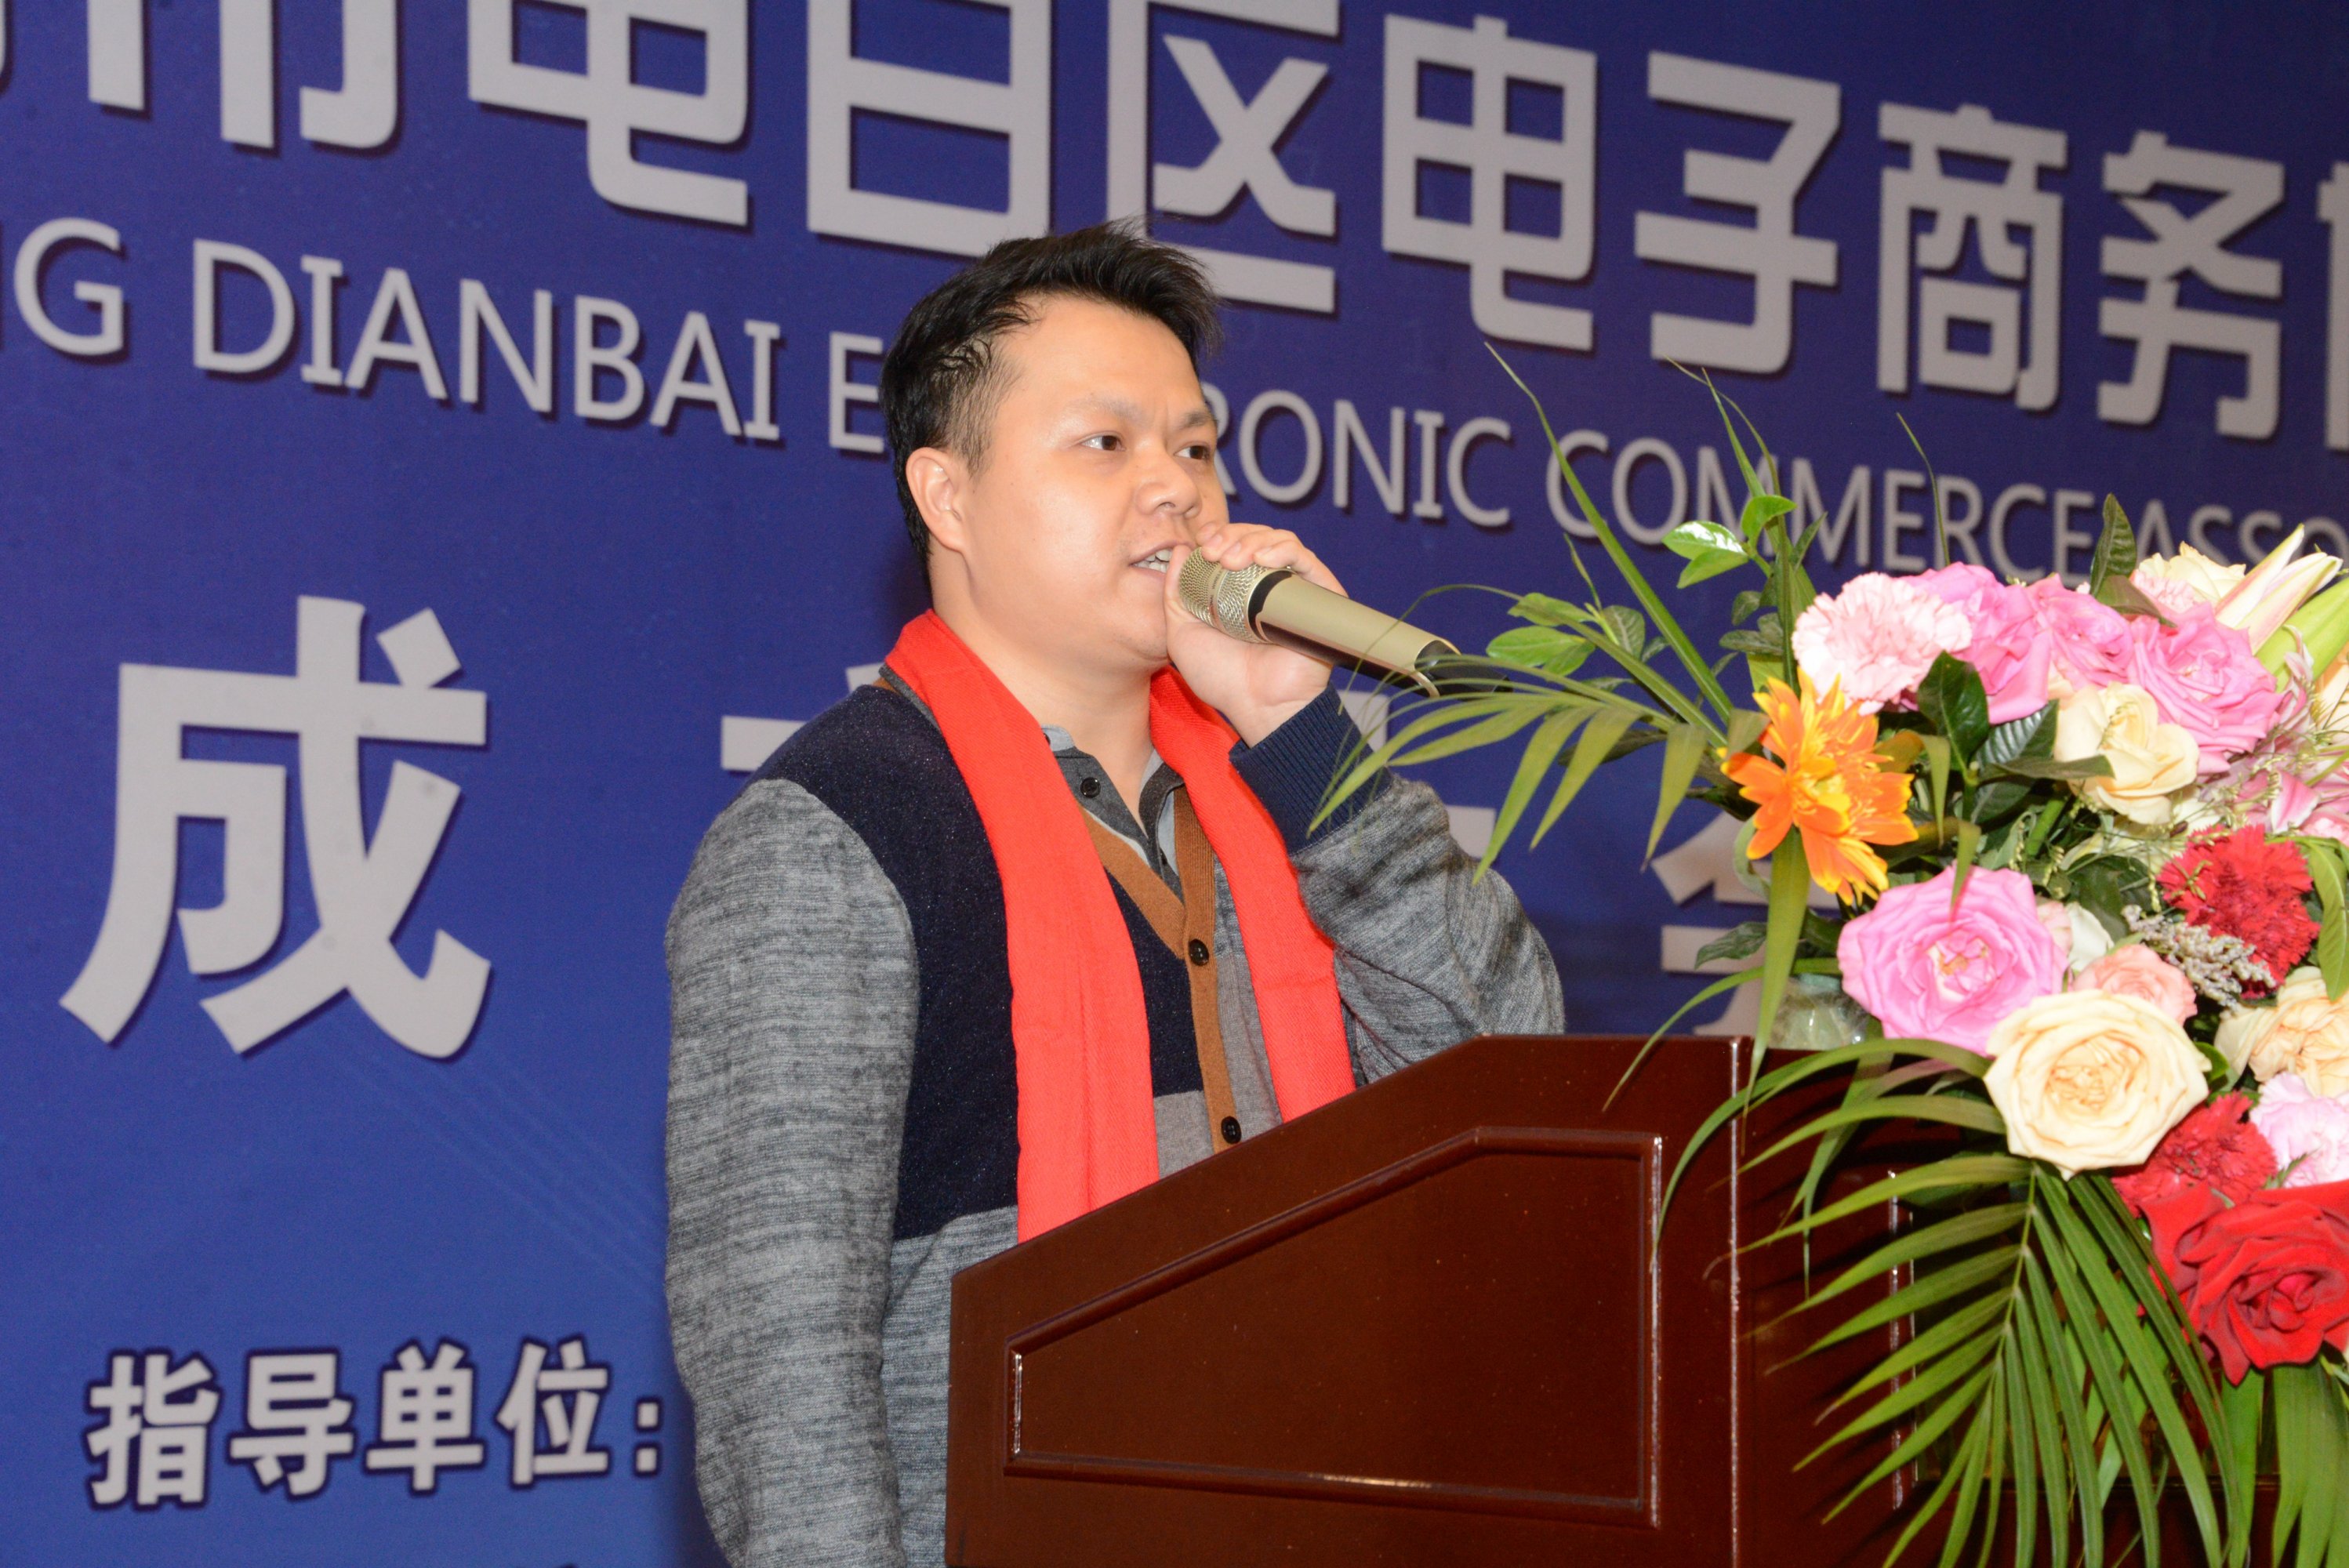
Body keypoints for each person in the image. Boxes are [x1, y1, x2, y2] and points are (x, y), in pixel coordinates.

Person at [663, 220, 1563, 1568]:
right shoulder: (834, 832)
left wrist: (1303, 737)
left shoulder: (1281, 786)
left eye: (1195, 447)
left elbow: (1506, 1077)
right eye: (1107, 443)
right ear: (947, 496)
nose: (1176, 492)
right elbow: (780, 1369)